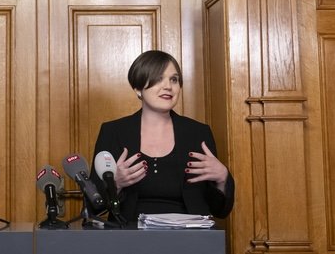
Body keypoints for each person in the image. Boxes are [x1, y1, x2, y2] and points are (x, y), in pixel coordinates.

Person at [93, 50, 234, 221]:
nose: (168, 86)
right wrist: (115, 185)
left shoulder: (198, 133)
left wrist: (222, 178)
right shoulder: (113, 132)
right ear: (138, 88)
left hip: (188, 238)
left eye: (174, 79)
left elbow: (220, 211)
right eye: (158, 78)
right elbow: (93, 207)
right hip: (129, 237)